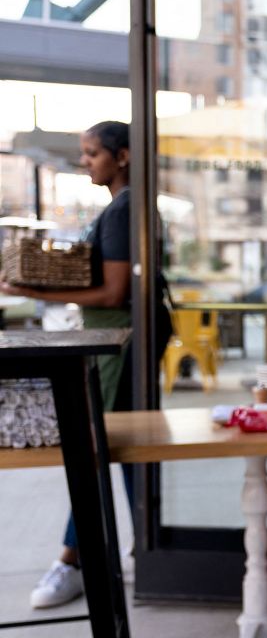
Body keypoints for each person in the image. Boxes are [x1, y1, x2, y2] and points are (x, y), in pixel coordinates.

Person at [0, 121, 172, 609]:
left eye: (93, 154)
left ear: (121, 157)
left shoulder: (123, 210)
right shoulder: (129, 205)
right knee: (123, 450)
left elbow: (114, 293)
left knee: (93, 449)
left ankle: (73, 562)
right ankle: (143, 549)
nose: (85, 162)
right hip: (124, 339)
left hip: (123, 341)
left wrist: (30, 290)